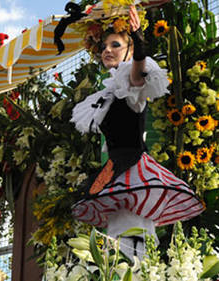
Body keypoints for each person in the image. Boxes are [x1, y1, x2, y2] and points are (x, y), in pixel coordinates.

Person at [67, 3, 204, 259]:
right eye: (104, 47)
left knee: (133, 233)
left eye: (115, 45)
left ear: (129, 49)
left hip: (134, 171)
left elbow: (138, 74)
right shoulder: (106, 94)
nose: (107, 50)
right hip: (114, 171)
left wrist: (139, 41)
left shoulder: (131, 88)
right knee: (117, 234)